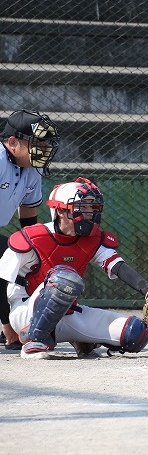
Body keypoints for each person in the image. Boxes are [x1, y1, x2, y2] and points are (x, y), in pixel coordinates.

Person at [1, 176, 148, 359]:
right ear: (61, 211)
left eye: (92, 207)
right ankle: (34, 342)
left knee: (135, 333)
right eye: (82, 207)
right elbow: (1, 279)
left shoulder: (92, 240)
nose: (90, 212)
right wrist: (7, 324)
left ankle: (78, 338)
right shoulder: (32, 238)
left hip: (66, 314)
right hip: (26, 314)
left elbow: (118, 266)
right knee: (64, 279)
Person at [0, 109, 60, 351]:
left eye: (46, 143)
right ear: (12, 142)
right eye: (37, 143)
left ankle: (28, 323)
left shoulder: (32, 168)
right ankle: (9, 329)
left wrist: (37, 253)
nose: (43, 149)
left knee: (31, 259)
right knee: (5, 260)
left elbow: (28, 219)